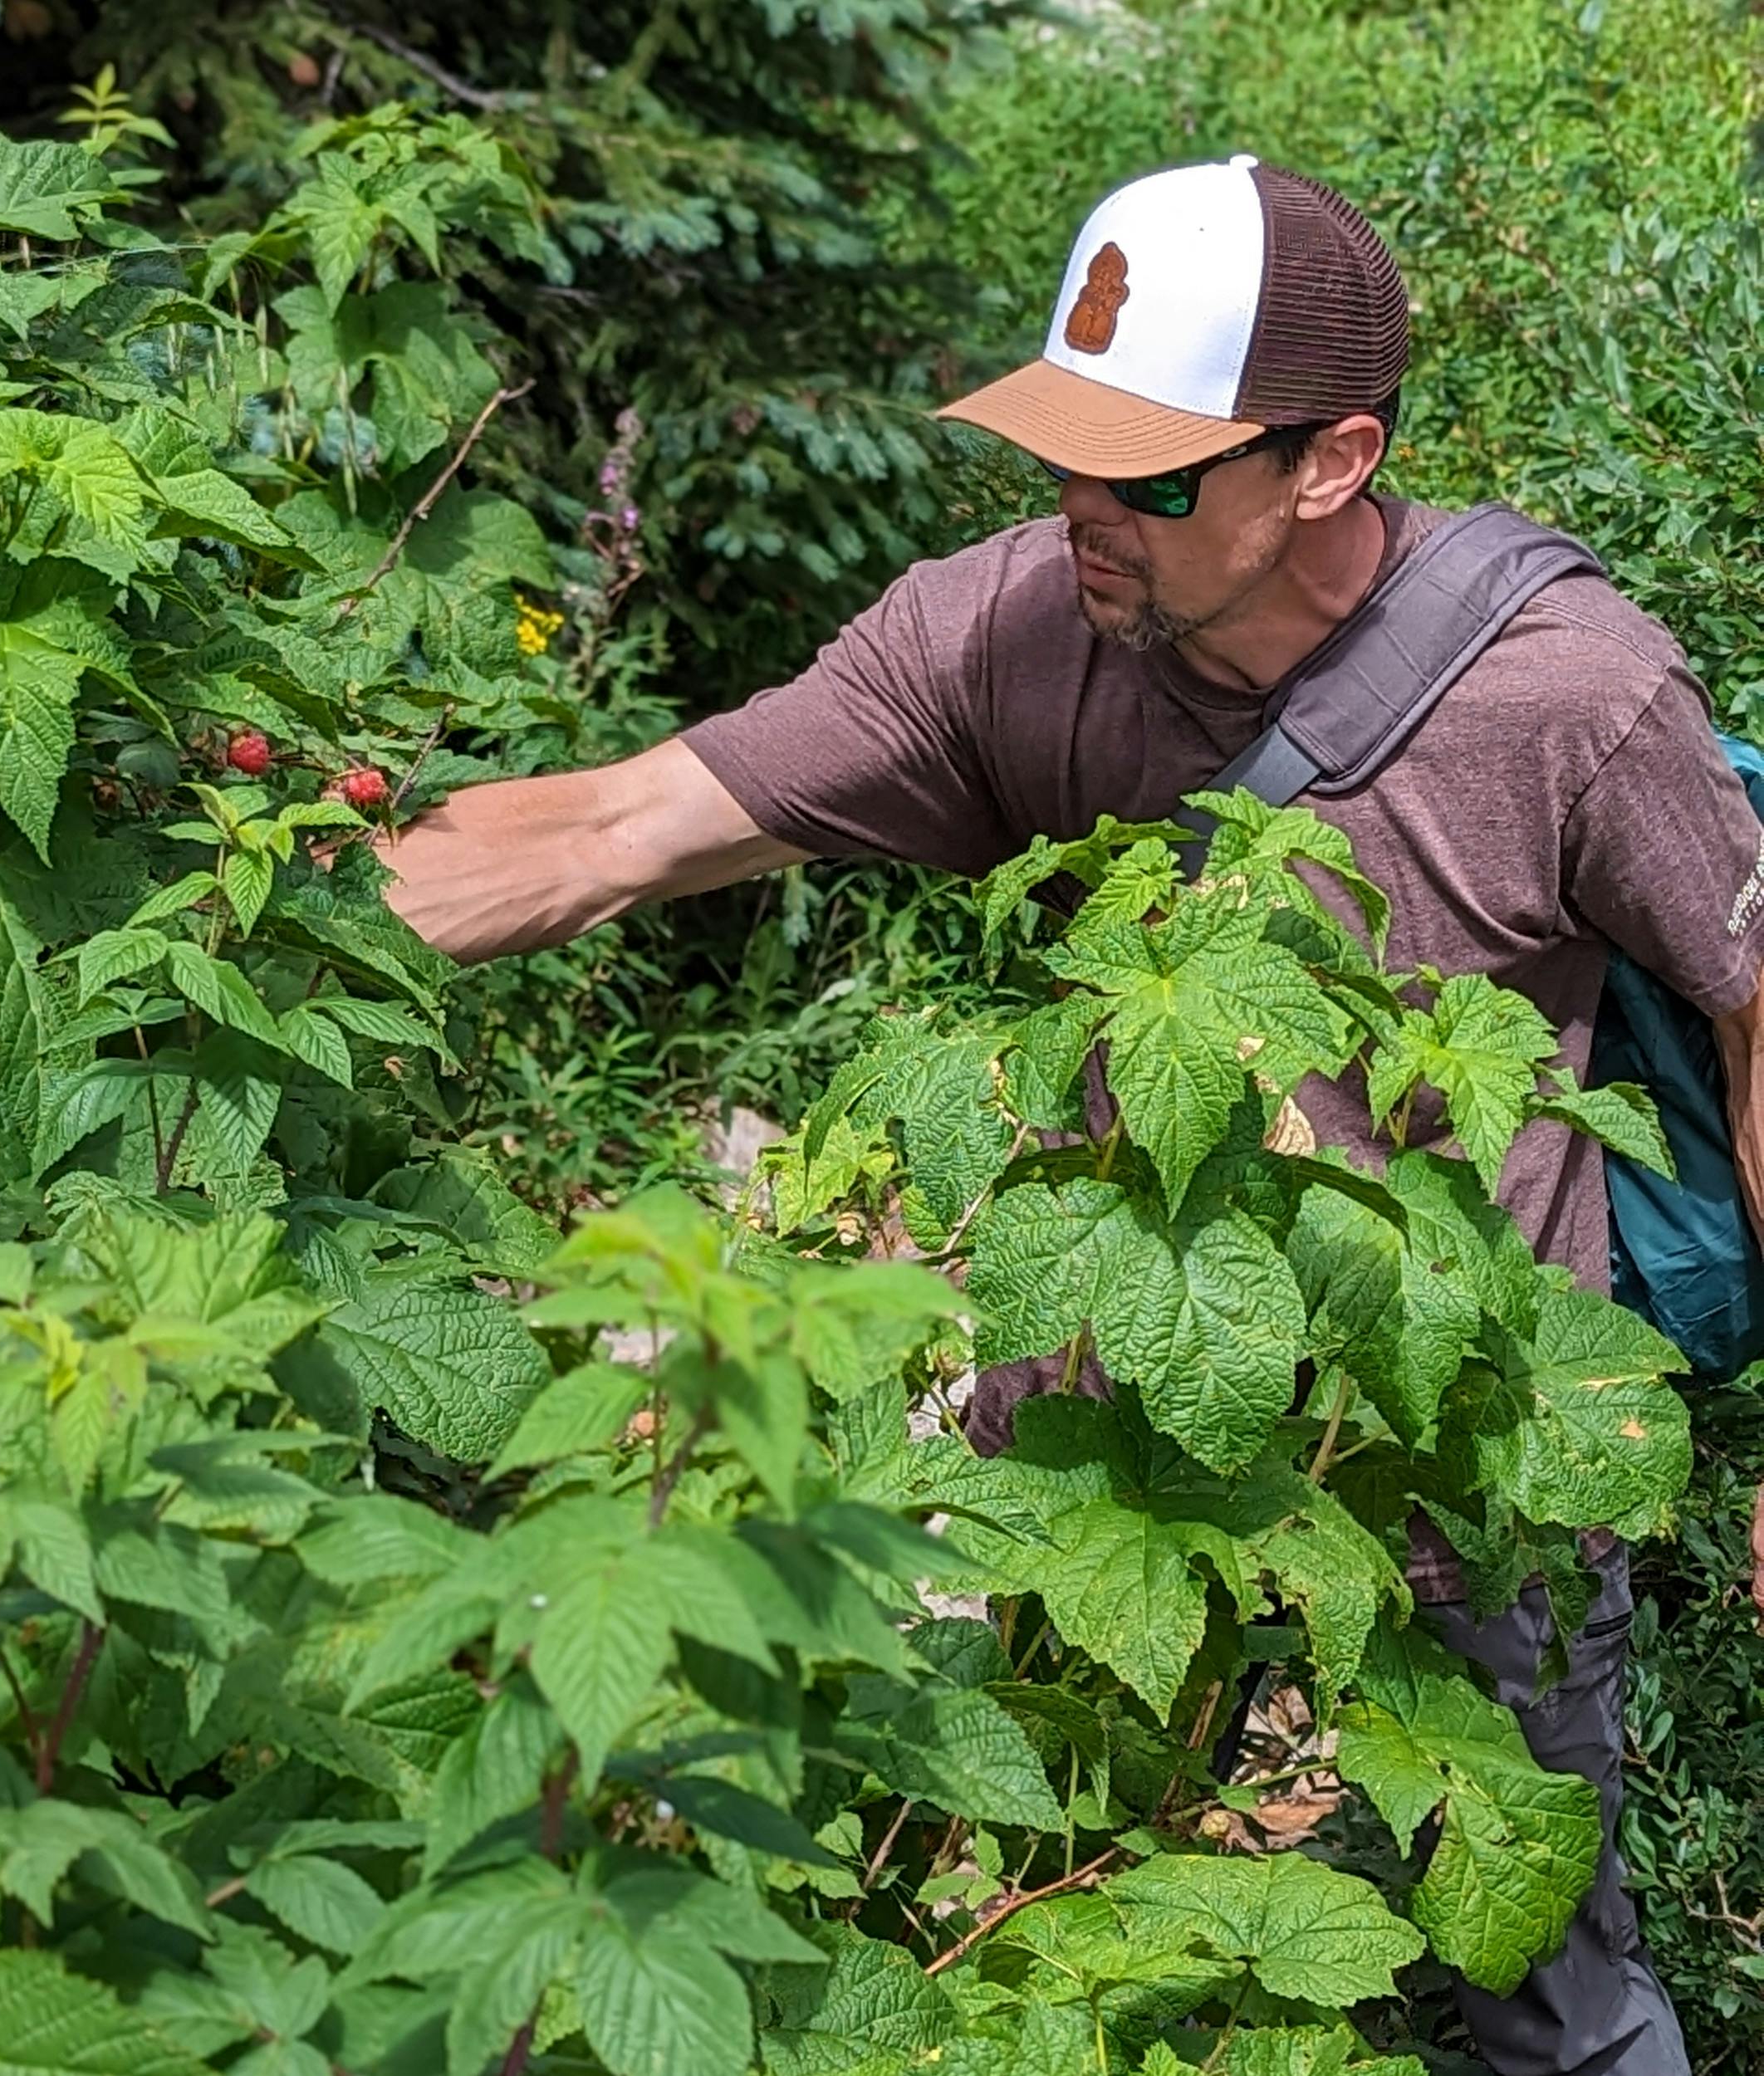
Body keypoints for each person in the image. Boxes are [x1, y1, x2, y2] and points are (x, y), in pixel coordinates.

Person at [380, 154, 1764, 2074]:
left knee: (1533, 1991)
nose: (1084, 513)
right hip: (1105, 1475)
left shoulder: (1572, 696)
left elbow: (1758, 1005)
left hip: (1447, 1476)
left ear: (1333, 462)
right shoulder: (1007, 630)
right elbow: (627, 825)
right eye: (1060, 455)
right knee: (1022, 1952)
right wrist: (272, 898)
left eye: (1154, 475)